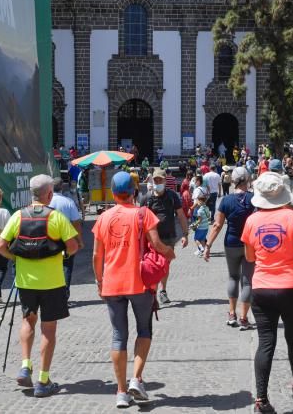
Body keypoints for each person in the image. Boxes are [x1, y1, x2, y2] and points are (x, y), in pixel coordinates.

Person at [93, 172, 176, 408]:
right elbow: (158, 245)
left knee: (118, 336)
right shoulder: (143, 214)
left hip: (112, 284)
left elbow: (97, 255)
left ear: (112, 192)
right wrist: (169, 253)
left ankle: (121, 392)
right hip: (139, 282)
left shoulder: (103, 218)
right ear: (134, 191)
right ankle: (136, 379)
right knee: (144, 329)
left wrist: (100, 281)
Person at [0, 175, 80, 397]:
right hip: (52, 282)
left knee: (27, 321)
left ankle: (25, 365)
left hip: (25, 281)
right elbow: (73, 246)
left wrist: (15, 259)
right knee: (49, 329)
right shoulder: (57, 217)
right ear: (50, 194)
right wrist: (61, 254)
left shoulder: (18, 216)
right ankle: (43, 381)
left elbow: (0, 246)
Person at [241, 172, 293, 413]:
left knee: (265, 343)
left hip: (262, 288)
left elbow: (250, 257)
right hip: (292, 287)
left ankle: (261, 399)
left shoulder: (251, 221)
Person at [204, 166, 255, 330]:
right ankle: (244, 318)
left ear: (233, 181)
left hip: (231, 242)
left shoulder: (225, 201)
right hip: (249, 244)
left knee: (233, 277)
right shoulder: (254, 199)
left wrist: (208, 245)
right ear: (247, 180)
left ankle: (232, 314)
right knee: (247, 282)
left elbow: (217, 225)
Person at [140, 168, 188, 305]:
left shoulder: (172, 196)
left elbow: (181, 215)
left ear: (165, 181)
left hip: (169, 237)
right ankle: (153, 295)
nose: (158, 182)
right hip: (152, 239)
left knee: (165, 265)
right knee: (153, 266)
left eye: (160, 180)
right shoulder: (146, 198)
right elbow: (139, 219)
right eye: (155, 180)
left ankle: (162, 291)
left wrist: (185, 234)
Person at [50, 178, 85, 305]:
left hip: (49, 241)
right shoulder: (68, 202)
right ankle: (63, 295)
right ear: (62, 188)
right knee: (66, 267)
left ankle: (52, 294)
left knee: (51, 266)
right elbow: (76, 224)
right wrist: (79, 240)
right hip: (66, 240)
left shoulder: (45, 202)